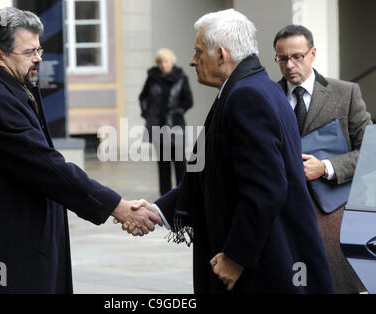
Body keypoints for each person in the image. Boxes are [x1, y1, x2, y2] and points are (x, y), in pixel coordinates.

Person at [0, 7, 161, 294]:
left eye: (39, 49)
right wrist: (116, 206)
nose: (38, 59)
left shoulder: (8, 86)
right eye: (29, 52)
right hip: (0, 258)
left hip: (13, 247)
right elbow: (46, 166)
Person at [120, 9, 335, 294]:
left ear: (221, 54)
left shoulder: (246, 96)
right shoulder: (249, 88)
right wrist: (156, 210)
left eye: (198, 52)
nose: (192, 60)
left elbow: (266, 188)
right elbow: (209, 175)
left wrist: (236, 256)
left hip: (264, 265)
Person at [273, 24, 372, 294]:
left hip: (333, 216)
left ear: (312, 53)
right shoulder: (266, 97)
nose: (290, 64)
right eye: (283, 58)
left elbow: (370, 151)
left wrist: (325, 168)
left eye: (297, 56)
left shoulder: (346, 93)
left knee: (335, 287)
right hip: (282, 216)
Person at [139, 49, 193, 195]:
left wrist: (177, 112)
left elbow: (188, 101)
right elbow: (143, 97)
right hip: (158, 126)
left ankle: (183, 196)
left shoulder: (181, 78)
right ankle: (165, 199)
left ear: (171, 62)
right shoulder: (152, 78)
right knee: (163, 165)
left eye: (166, 61)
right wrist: (147, 114)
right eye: (160, 62)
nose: (163, 65)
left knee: (180, 163)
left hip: (175, 127)